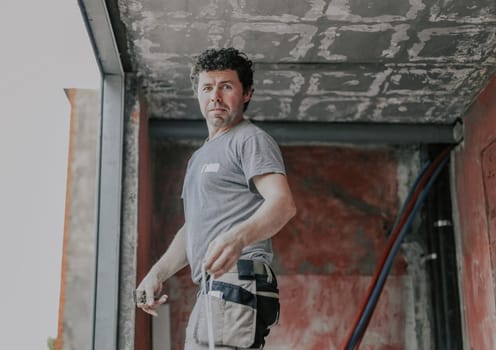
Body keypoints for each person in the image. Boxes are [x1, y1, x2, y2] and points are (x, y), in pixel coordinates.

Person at [135, 47, 296, 349]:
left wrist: (237, 238)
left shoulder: (250, 139)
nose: (215, 97)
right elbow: (192, 229)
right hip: (215, 288)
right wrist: (157, 273)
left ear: (246, 93)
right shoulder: (199, 158)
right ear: (198, 94)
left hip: (237, 281)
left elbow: (283, 204)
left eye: (226, 86)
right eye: (207, 87)